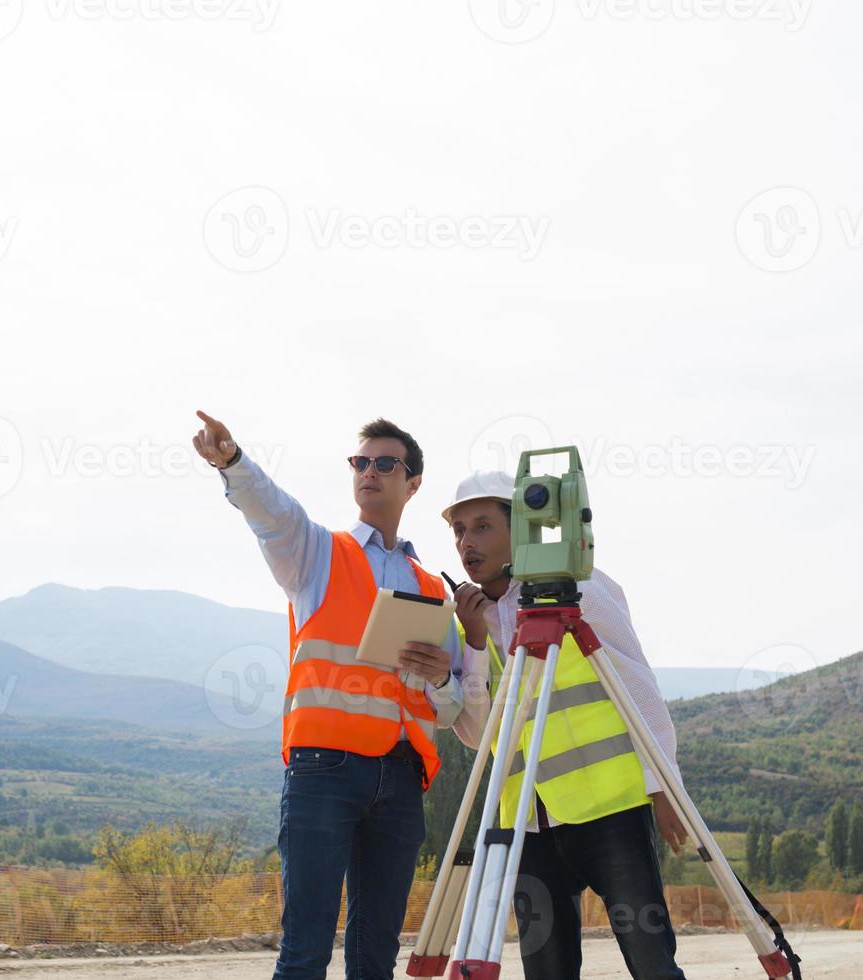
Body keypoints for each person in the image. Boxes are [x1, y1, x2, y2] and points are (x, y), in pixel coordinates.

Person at [193, 411, 464, 980]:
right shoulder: (317, 553)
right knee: (305, 951)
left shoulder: (433, 587)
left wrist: (441, 677)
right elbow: (275, 514)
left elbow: (450, 707)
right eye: (360, 462)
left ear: (412, 483)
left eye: (384, 463)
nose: (369, 471)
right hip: (325, 771)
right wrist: (234, 464)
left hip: (400, 779)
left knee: (375, 959)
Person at [445, 470, 688, 980]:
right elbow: (475, 736)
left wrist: (665, 786)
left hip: (609, 813)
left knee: (651, 964)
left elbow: (638, 685)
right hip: (527, 827)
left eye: (483, 526)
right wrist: (469, 643)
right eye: (460, 531)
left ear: (523, 528)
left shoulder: (581, 590)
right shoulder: (472, 623)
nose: (467, 543)